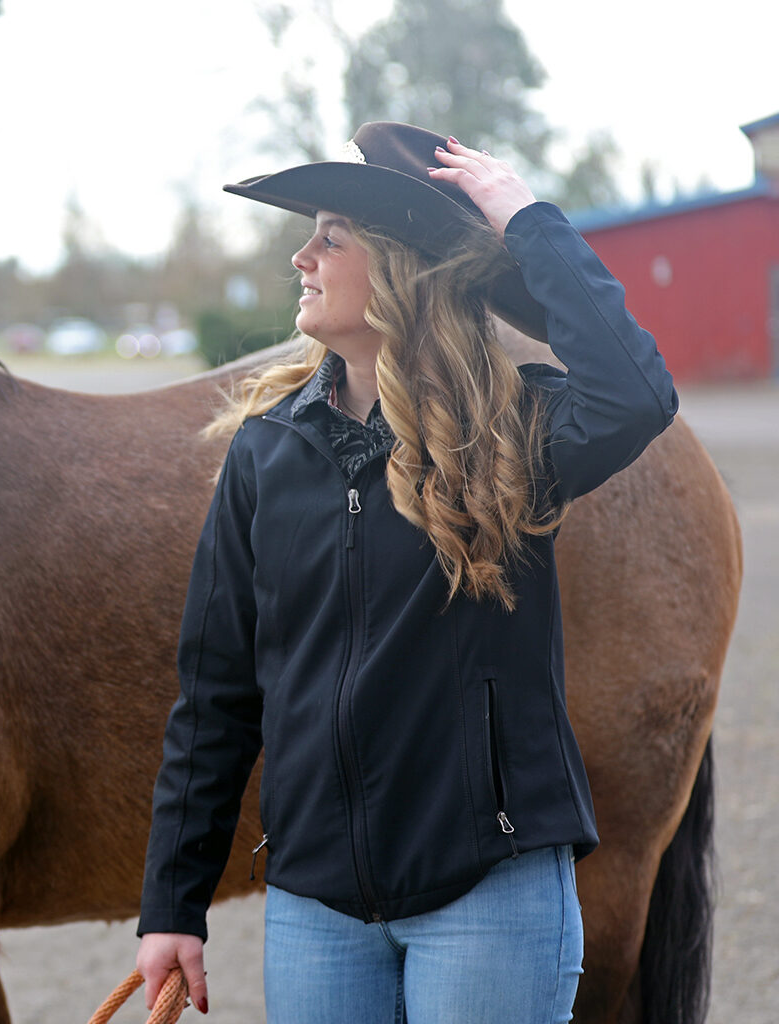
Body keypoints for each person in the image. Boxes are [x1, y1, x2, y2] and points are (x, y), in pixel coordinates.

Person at [133, 122, 677, 1022]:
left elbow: (636, 391)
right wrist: (172, 907)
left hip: (490, 897)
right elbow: (215, 693)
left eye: (330, 236)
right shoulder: (265, 455)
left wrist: (526, 222)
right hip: (317, 909)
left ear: (400, 268)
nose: (302, 256)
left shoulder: (514, 431)